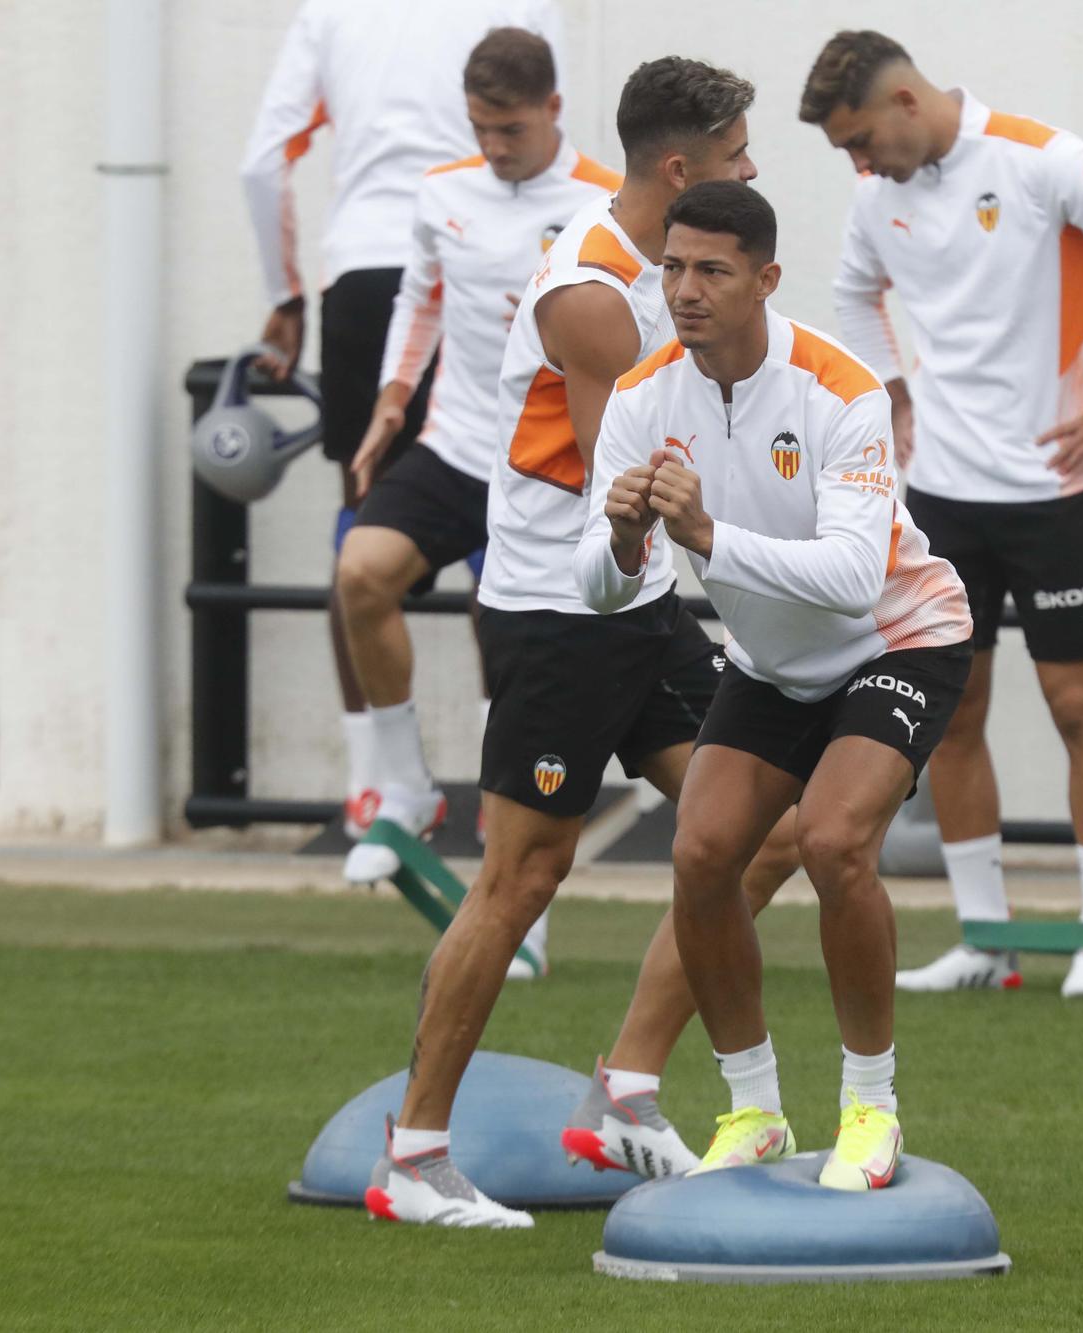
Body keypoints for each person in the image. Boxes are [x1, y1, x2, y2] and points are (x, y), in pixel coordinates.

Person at [365, 57, 791, 1230]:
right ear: (679, 167)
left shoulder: (669, 273)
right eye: (736, 152)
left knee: (763, 829)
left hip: (637, 606)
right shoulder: (595, 294)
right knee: (521, 877)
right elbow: (632, 486)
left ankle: (627, 1083)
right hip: (563, 609)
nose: (751, 167)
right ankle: (413, 1156)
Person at [800, 30, 1083, 999]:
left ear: (905, 102)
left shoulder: (1040, 161)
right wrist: (892, 392)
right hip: (940, 496)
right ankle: (984, 940)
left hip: (1052, 493)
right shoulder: (876, 199)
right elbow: (850, 295)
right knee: (953, 715)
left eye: (861, 141)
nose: (859, 167)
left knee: (1081, 708)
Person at [578, 180, 973, 1188]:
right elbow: (599, 583)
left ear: (765, 279)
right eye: (670, 268)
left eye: (710, 270)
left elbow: (850, 582)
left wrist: (705, 533)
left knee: (835, 841)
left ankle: (869, 1110)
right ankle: (753, 1108)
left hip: (894, 641)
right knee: (702, 852)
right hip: (770, 663)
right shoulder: (640, 395)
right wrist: (624, 538)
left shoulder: (839, 389)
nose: (684, 290)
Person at [332, 29, 620, 986]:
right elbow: (420, 302)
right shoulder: (441, 191)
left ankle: (519, 911)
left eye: (509, 128)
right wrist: (387, 406)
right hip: (454, 446)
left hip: (540, 470)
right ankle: (405, 790)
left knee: (516, 680)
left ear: (551, 112)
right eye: (480, 128)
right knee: (361, 574)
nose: (494, 145)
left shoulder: (602, 206)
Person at [239, 0, 561, 841]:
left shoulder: (329, 12)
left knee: (367, 539)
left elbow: (265, 163)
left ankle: (375, 788)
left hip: (366, 275)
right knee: (487, 549)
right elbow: (547, 127)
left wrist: (284, 297)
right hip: (489, 263)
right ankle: (496, 795)